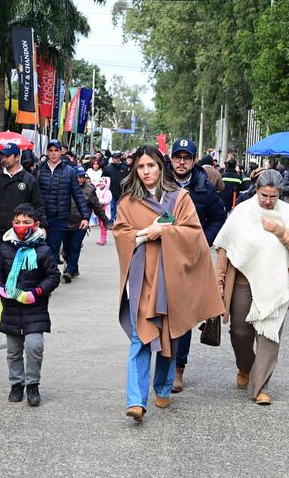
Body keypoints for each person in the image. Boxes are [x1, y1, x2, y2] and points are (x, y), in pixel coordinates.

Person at [112, 145, 224, 422]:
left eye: (151, 166)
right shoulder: (128, 201)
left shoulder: (180, 198)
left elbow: (194, 234)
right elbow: (121, 233)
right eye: (141, 167)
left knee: (169, 335)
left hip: (173, 276)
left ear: (161, 167)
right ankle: (136, 400)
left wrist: (164, 231)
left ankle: (162, 387)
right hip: (143, 276)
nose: (146, 172)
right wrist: (143, 234)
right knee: (140, 336)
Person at [214, 170, 289, 405]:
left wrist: (281, 231)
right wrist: (219, 280)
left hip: (277, 283)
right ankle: (245, 368)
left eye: (274, 196)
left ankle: (260, 387)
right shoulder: (242, 211)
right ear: (256, 190)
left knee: (269, 335)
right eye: (264, 195)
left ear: (280, 194)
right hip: (243, 282)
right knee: (240, 331)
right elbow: (224, 245)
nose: (268, 201)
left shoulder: (288, 213)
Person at [169, 138, 226, 393]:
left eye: (187, 158)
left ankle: (178, 367)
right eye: (177, 157)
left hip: (192, 259)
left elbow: (218, 217)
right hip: (163, 256)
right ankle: (162, 362)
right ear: (171, 160)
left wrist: (205, 239)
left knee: (184, 314)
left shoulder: (204, 187)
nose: (182, 162)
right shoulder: (161, 184)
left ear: (193, 161)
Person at [0, 203, 61, 406]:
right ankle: (16, 383)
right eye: (17, 222)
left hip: (35, 308)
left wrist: (37, 292)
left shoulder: (43, 249)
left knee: (34, 347)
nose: (21, 226)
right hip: (11, 308)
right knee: (13, 351)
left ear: (36, 225)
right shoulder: (5, 247)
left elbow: (53, 276)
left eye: (26, 223)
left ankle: (32, 384)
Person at [0, 143, 45, 253]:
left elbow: (38, 204)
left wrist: (42, 225)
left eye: (7, 156)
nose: (4, 159)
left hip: (22, 230)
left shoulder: (29, 180)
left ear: (17, 157)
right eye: (2, 156)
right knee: (1, 264)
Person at [36, 139, 89, 264]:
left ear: (61, 152)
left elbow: (78, 195)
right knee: (39, 249)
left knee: (53, 249)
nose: (53, 153)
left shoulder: (69, 171)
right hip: (41, 217)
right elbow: (32, 194)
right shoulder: (39, 169)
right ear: (47, 152)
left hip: (60, 217)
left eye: (56, 150)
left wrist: (85, 216)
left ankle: (50, 279)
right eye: (51, 150)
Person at [61, 166, 109, 283]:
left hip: (81, 223)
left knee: (75, 246)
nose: (80, 179)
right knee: (66, 249)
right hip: (66, 222)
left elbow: (97, 206)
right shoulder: (65, 187)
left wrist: (105, 220)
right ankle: (74, 268)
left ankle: (69, 270)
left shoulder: (89, 189)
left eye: (82, 177)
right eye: (78, 177)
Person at [102, 151, 129, 224]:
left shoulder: (124, 167)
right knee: (111, 208)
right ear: (112, 158)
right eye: (115, 158)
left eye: (118, 158)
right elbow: (103, 180)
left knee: (121, 209)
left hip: (122, 191)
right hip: (110, 192)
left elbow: (127, 179)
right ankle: (110, 223)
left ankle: (120, 223)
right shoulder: (107, 168)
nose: (117, 159)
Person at [96, 177, 112, 245]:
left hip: (105, 210)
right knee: (100, 224)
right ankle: (102, 237)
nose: (101, 183)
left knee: (103, 224)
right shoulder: (98, 190)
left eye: (103, 182)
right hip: (99, 210)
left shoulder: (107, 192)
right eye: (100, 182)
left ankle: (103, 237)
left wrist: (99, 200)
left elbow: (107, 200)